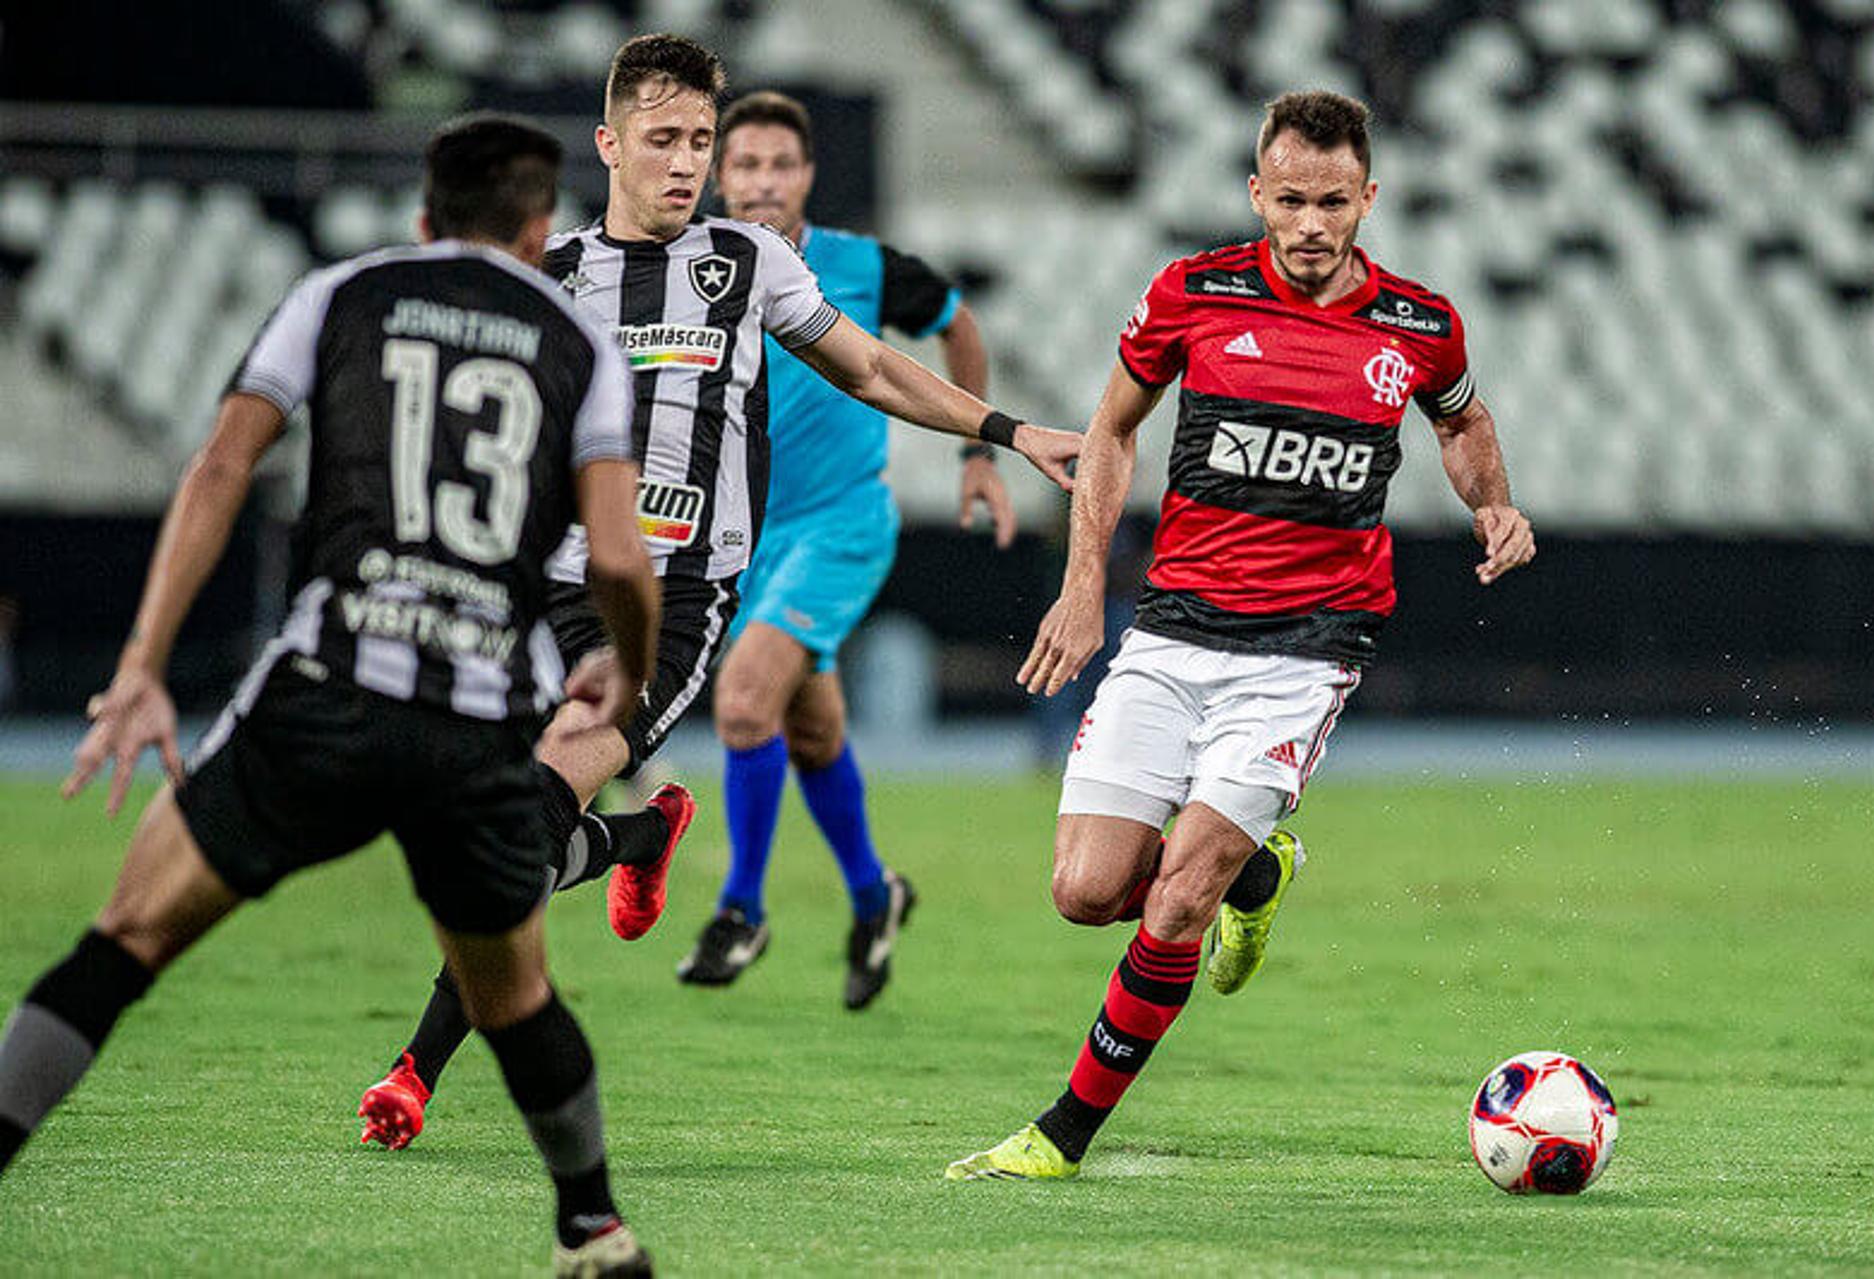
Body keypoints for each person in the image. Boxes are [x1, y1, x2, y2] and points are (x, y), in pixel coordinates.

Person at [357, 33, 1081, 1152]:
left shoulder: (747, 263)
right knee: (480, 833)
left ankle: (413, 1069)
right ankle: (640, 836)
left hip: (673, 604)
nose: (688, 161)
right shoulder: (552, 276)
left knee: (521, 824)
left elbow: (875, 368)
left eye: (701, 138)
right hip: (540, 590)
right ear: (608, 146)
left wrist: (1007, 429)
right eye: (664, 139)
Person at [0, 116, 663, 1276]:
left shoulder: (342, 293)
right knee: (514, 995)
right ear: (539, 225)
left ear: (424, 216)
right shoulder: (578, 342)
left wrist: (144, 664)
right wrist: (629, 662)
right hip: (475, 719)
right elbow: (619, 557)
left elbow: (220, 466)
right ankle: (593, 1226)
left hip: (328, 689)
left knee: (128, 938)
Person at [946, 91, 1536, 1180]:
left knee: (1173, 900)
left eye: (1334, 202)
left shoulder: (1416, 323)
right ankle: (1253, 877)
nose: (1312, 225)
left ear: (1369, 197)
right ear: (1257, 193)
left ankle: (1061, 1135)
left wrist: (1490, 501)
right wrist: (1085, 589)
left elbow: (1462, 418)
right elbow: (1113, 430)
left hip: (1306, 652)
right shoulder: (1194, 294)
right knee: (1084, 891)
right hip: (1171, 632)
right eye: (1292, 201)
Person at [676, 90, 1014, 1008]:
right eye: (743, 165)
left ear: (808, 175)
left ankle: (741, 908)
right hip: (738, 538)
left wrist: (978, 454)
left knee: (745, 701)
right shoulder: (684, 268)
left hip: (840, 527)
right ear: (717, 176)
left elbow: (958, 319)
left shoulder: (864, 265)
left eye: (779, 164)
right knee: (812, 728)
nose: (762, 182)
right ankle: (875, 896)